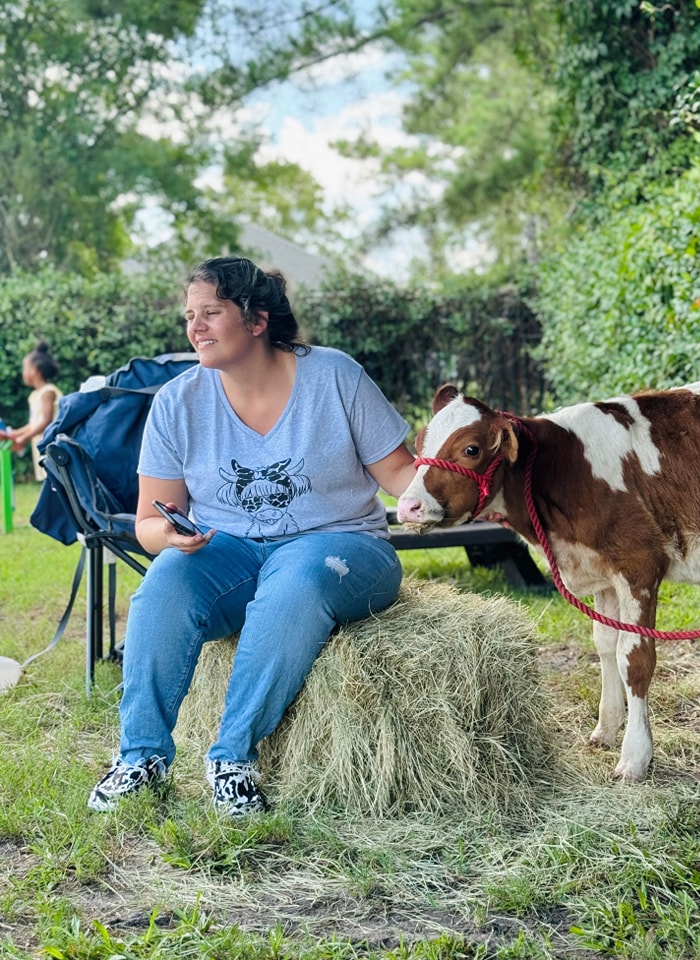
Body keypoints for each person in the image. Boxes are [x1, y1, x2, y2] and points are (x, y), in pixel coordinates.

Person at [88, 255, 418, 817]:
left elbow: (402, 478)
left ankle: (232, 761)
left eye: (211, 312)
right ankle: (139, 757)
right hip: (230, 550)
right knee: (167, 582)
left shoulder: (335, 376)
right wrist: (170, 538)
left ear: (257, 320)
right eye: (189, 315)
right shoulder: (177, 403)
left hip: (342, 546)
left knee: (295, 578)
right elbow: (148, 522)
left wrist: (438, 490)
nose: (195, 328)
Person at [7, 341, 62, 481]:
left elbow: (45, 421)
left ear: (35, 370)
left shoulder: (48, 392)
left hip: (52, 445)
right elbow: (34, 423)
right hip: (40, 444)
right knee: (48, 481)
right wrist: (15, 433)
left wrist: (23, 438)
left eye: (25, 368)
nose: (23, 372)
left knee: (55, 481)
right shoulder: (35, 395)